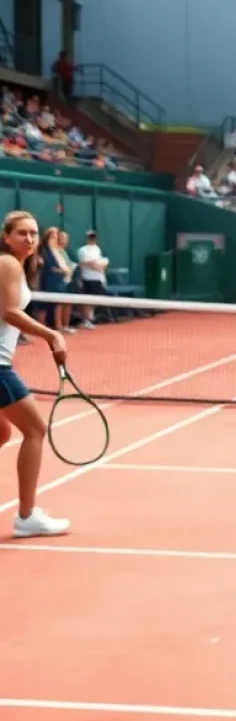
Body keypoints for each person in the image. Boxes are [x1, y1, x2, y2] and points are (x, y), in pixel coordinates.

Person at [0, 211, 70, 538]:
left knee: (1, 433)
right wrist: (51, 334)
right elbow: (10, 313)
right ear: (6, 236)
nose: (29, 239)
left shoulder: (15, 265)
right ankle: (26, 517)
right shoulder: (8, 264)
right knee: (35, 430)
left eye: (33, 233)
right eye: (21, 233)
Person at [76, 229, 109, 329]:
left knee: (95, 300)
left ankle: (88, 319)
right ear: (86, 238)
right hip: (87, 278)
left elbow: (103, 262)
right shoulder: (82, 250)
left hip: (99, 278)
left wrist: (98, 266)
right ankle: (86, 320)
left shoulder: (98, 249)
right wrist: (97, 266)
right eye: (90, 237)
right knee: (87, 301)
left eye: (93, 237)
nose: (92, 239)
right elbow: (84, 263)